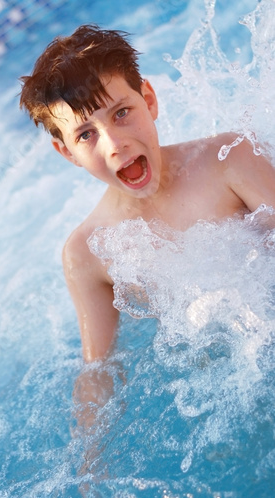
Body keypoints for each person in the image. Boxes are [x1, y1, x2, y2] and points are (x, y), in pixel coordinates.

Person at [19, 24, 275, 364]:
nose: (114, 144)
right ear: (67, 153)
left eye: (121, 113)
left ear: (150, 101)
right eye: (85, 135)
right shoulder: (86, 254)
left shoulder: (230, 160)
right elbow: (98, 371)